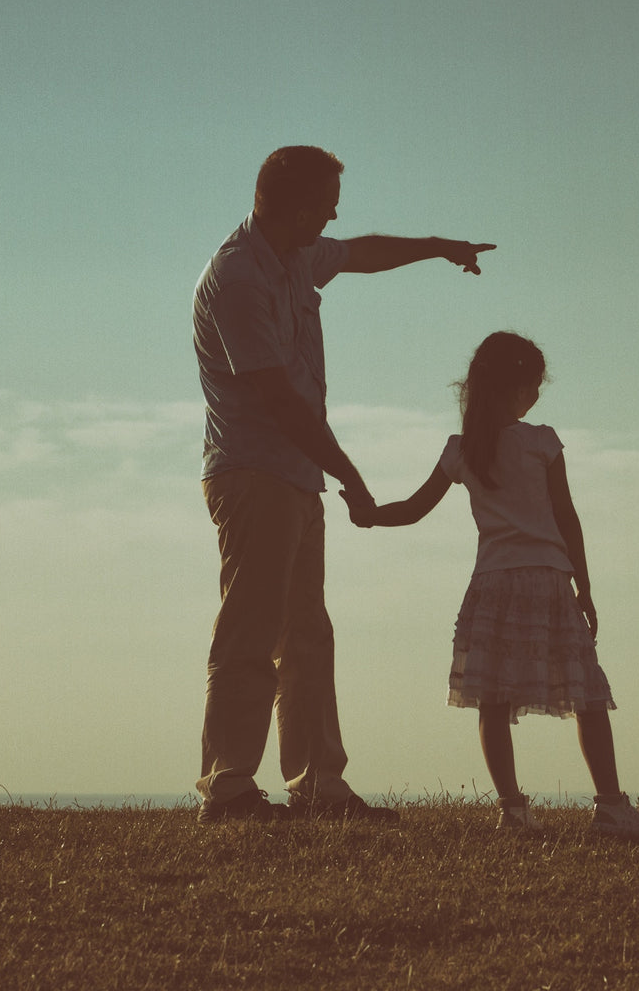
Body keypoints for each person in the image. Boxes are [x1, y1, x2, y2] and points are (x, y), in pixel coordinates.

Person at [192, 145, 495, 823]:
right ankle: (230, 787)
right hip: (254, 472)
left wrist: (439, 247)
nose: (333, 215)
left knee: (306, 635)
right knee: (251, 631)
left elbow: (362, 252)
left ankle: (318, 785)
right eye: (326, 202)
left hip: (295, 477)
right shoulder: (239, 277)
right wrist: (351, 476)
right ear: (294, 206)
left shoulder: (296, 257)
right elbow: (276, 397)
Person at [355, 331, 639, 837]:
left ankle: (513, 809)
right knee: (586, 694)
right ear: (512, 388)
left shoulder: (462, 449)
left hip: (493, 583)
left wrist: (369, 515)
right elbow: (567, 517)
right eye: (532, 386)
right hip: (546, 579)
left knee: (493, 699)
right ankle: (610, 805)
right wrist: (585, 587)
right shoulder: (542, 441)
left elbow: (412, 510)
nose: (537, 396)